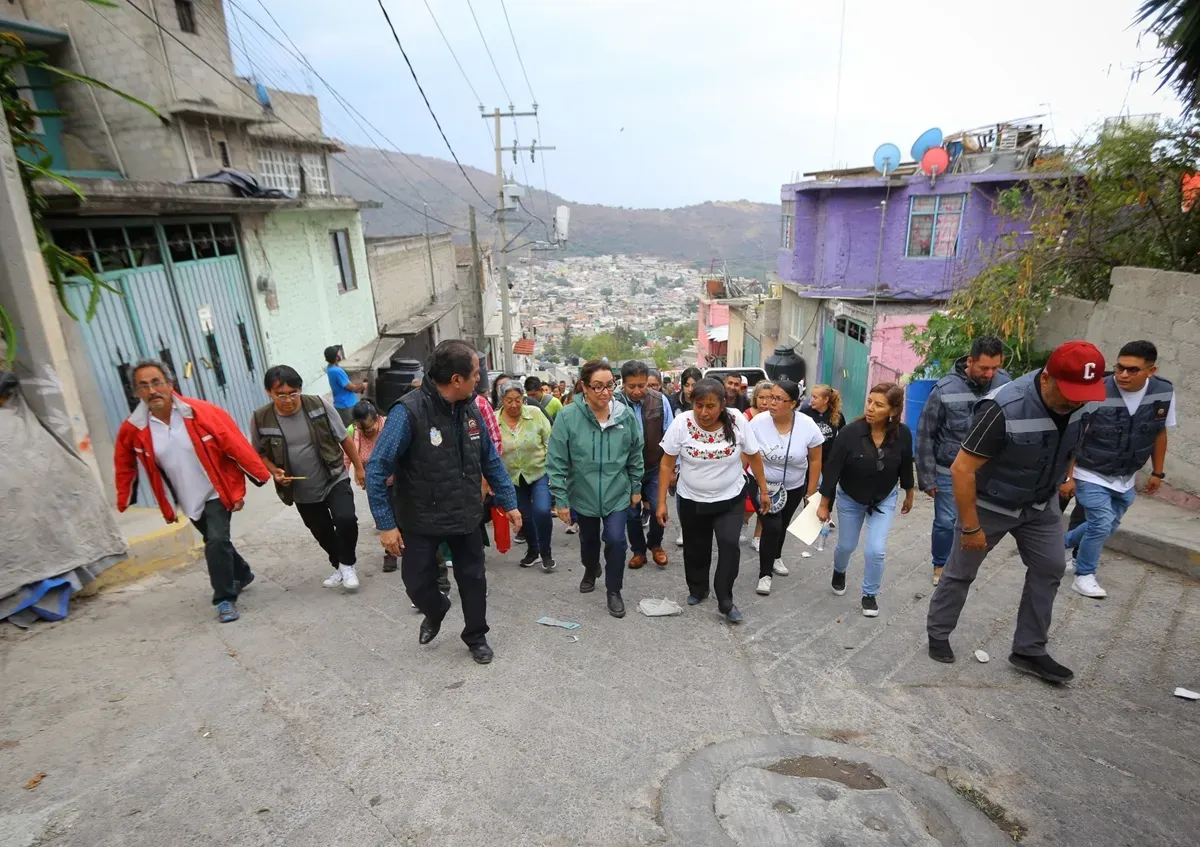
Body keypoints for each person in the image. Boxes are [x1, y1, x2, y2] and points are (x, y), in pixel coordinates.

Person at [926, 340, 1107, 684]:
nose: (1075, 401)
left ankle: (1029, 649)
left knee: (1051, 567)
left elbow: (1070, 441)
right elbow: (962, 470)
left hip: (1040, 503)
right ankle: (938, 633)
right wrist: (970, 527)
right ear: (1046, 379)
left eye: (1082, 394)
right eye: (1068, 392)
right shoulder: (1002, 408)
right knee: (961, 571)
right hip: (990, 503)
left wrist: (1068, 476)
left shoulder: (1083, 401)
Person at [366, 340, 521, 665]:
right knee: (416, 582)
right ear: (456, 380)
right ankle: (436, 610)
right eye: (476, 374)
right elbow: (378, 467)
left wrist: (508, 501)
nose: (480, 380)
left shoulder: (472, 409)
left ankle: (475, 636)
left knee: (473, 579)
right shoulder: (407, 412)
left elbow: (490, 460)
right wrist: (385, 524)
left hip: (465, 514)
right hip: (420, 518)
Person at [114, 359, 270, 623]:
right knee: (216, 541)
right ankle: (241, 573)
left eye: (156, 382)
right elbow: (123, 462)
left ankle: (224, 599)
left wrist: (253, 478)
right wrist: (123, 496)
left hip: (216, 490)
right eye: (144, 386)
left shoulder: (201, 412)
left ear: (170, 384)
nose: (152, 390)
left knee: (216, 541)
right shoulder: (135, 428)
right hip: (187, 498)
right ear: (136, 393)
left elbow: (234, 443)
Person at [1062, 340, 1175, 599]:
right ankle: (1084, 574)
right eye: (1120, 367)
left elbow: (1160, 433)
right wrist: (1068, 476)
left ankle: (1062, 545)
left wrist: (1158, 472)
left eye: (1132, 370)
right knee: (1101, 523)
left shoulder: (1164, 392)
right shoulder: (1097, 390)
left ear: (1151, 371)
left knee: (1108, 525)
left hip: (1125, 476)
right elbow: (1075, 435)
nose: (1123, 375)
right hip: (1090, 471)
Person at [656, 378, 769, 623]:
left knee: (729, 545)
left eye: (710, 406)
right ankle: (698, 589)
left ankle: (725, 600)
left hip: (730, 499)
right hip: (691, 501)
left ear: (722, 405)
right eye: (699, 406)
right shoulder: (681, 423)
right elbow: (666, 464)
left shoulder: (737, 420)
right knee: (696, 550)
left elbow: (754, 455)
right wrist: (662, 502)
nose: (704, 412)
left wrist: (763, 489)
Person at [252, 365, 366, 591]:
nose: (288, 400)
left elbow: (344, 438)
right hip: (301, 488)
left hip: (333, 476)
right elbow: (259, 452)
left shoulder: (318, 405)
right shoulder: (261, 418)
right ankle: (340, 566)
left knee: (346, 519)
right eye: (280, 395)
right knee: (322, 531)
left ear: (300, 389)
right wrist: (274, 471)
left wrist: (359, 467)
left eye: (293, 393)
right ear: (269, 393)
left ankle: (347, 564)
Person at [547, 359, 644, 618]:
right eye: (598, 387)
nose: (605, 393)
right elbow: (556, 460)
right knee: (588, 541)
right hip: (583, 492)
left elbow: (636, 453)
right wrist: (561, 498)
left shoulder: (624, 415)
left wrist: (636, 486)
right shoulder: (568, 416)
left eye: (610, 386)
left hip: (617, 492)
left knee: (615, 539)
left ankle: (614, 590)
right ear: (584, 388)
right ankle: (591, 568)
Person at [915, 336, 1009, 587]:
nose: (990, 374)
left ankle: (963, 565)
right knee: (946, 521)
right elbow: (925, 434)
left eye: (995, 368)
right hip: (949, 471)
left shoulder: (1006, 386)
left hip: (987, 471)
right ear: (970, 361)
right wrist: (927, 478)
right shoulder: (944, 389)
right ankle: (940, 564)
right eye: (984, 368)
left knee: (976, 522)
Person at [817, 383, 915, 618]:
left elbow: (905, 465)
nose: (870, 408)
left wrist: (909, 493)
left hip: (883, 499)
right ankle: (839, 571)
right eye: (869, 401)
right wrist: (824, 503)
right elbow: (833, 470)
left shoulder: (902, 434)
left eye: (878, 405)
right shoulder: (850, 433)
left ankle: (869, 594)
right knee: (847, 545)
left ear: (892, 411)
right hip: (851, 497)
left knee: (876, 550)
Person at [750, 380, 824, 596]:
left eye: (778, 399)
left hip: (793, 485)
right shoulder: (757, 423)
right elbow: (748, 453)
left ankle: (776, 557)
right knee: (771, 526)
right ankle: (765, 574)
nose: (771, 403)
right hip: (761, 484)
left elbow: (816, 459)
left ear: (792, 403)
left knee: (782, 524)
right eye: (770, 397)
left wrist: (811, 492)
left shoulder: (808, 425)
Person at [617, 360, 675, 569]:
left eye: (641, 386)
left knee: (660, 508)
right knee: (631, 513)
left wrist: (672, 469)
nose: (637, 391)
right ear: (623, 383)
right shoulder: (614, 403)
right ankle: (638, 551)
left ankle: (655, 544)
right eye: (631, 386)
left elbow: (670, 436)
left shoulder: (660, 401)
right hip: (625, 471)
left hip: (655, 466)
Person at [497, 380, 556, 571]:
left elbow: (550, 441)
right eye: (509, 400)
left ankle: (546, 553)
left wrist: (554, 469)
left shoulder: (535, 414)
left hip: (538, 471)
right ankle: (533, 549)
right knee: (523, 516)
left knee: (542, 510)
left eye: (518, 400)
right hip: (512, 476)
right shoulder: (495, 420)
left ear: (523, 399)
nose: (514, 405)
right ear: (502, 401)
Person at [348, 399, 404, 575]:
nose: (368, 431)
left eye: (371, 426)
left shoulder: (389, 426)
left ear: (377, 418)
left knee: (401, 515)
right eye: (364, 428)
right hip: (376, 484)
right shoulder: (354, 433)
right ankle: (391, 551)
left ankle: (400, 547)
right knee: (385, 516)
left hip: (400, 480)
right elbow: (347, 455)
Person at [743, 380, 775, 548]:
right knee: (747, 506)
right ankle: (744, 522)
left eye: (769, 397)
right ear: (755, 398)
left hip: (768, 468)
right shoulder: (746, 416)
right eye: (761, 397)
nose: (765, 402)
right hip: (749, 468)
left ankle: (758, 537)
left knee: (764, 505)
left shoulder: (775, 416)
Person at [324, 345, 366, 426]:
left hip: (341, 404)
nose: (340, 355)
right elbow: (351, 387)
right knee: (354, 429)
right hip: (347, 406)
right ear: (336, 357)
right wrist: (363, 385)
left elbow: (344, 385)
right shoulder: (337, 371)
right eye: (338, 354)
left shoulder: (329, 368)